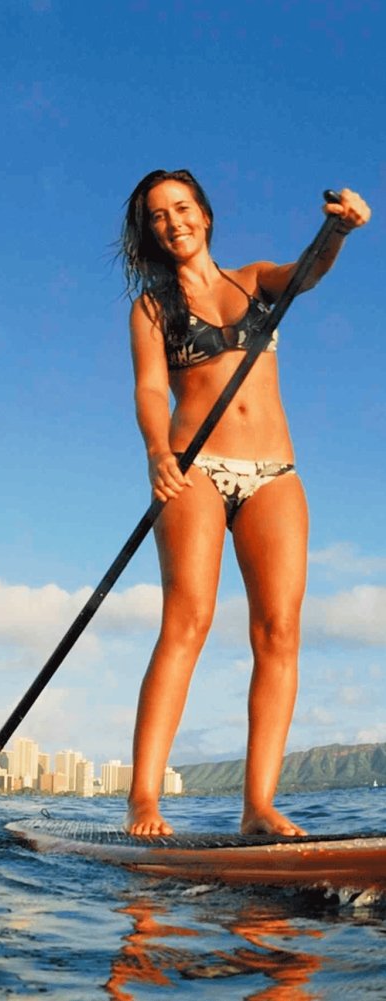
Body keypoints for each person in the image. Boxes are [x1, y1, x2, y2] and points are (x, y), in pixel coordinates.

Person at [120, 170, 369, 836]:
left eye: (182, 208)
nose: (173, 222)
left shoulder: (253, 280)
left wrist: (337, 229)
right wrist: (155, 452)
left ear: (204, 213)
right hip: (192, 469)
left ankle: (258, 806)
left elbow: (307, 273)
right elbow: (150, 391)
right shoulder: (151, 308)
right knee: (188, 620)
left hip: (274, 473)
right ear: (150, 231)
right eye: (157, 216)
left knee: (280, 632)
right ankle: (144, 798)